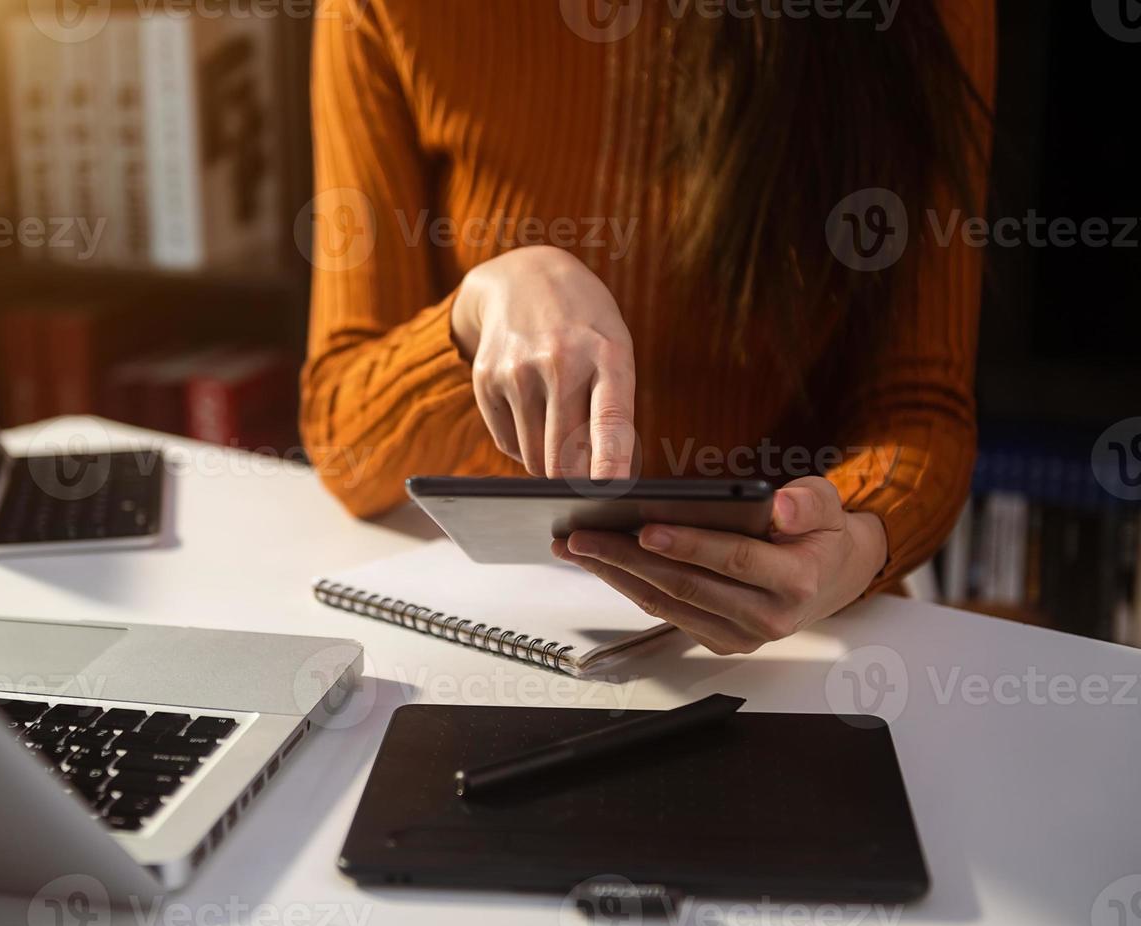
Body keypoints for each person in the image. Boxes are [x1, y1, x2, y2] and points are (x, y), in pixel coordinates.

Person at [300, 0, 995, 655]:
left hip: (795, 642)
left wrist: (860, 541)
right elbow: (340, 429)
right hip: (498, 626)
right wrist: (472, 313)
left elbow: (921, 405)